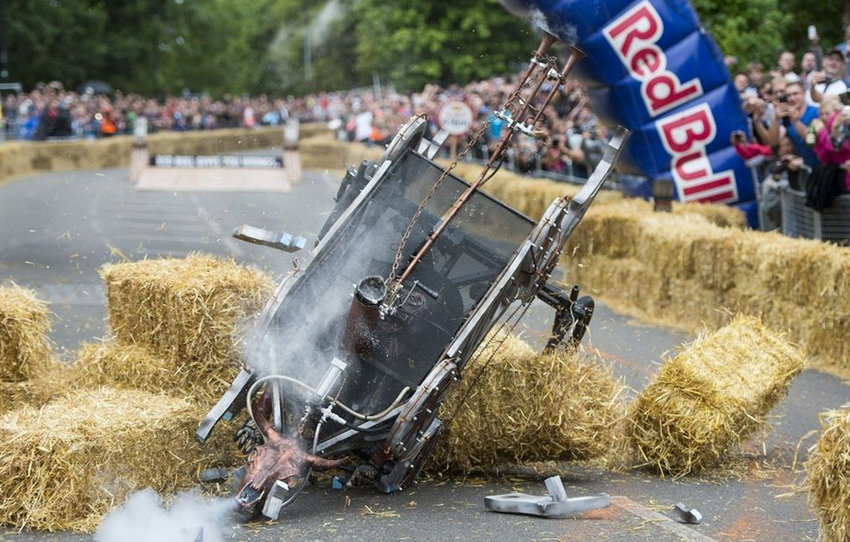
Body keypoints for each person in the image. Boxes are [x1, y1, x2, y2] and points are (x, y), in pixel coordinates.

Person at [769, 81, 820, 167]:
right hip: (807, 170)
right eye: (788, 95)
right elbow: (773, 142)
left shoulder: (815, 112)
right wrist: (776, 118)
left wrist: (796, 122)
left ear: (804, 94)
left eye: (795, 94)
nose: (792, 98)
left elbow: (812, 141)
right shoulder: (787, 118)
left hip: (824, 168)